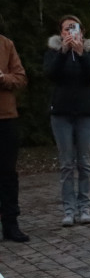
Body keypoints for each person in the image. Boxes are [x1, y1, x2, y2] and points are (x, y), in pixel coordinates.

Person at [43, 15, 90, 227]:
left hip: (86, 114)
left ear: (82, 31)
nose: (70, 32)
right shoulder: (54, 52)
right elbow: (50, 73)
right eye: (66, 29)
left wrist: (81, 54)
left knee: (85, 163)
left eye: (74, 28)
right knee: (66, 164)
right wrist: (63, 53)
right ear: (60, 33)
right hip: (61, 114)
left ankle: (85, 207)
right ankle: (68, 210)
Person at [0, 32, 28, 242]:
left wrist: (3, 78)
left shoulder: (6, 44)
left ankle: (11, 224)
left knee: (8, 174)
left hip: (6, 117)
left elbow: (20, 78)